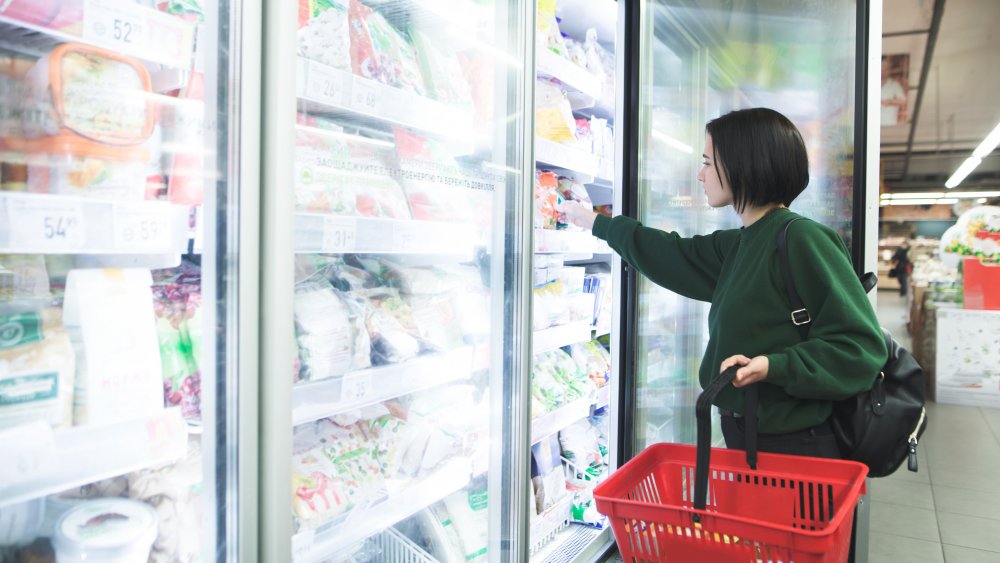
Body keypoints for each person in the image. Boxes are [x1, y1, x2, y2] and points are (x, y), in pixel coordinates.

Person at [560, 107, 888, 459]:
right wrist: (595, 223)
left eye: (707, 162)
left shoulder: (802, 240)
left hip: (794, 448)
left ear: (741, 165)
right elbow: (671, 255)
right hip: (747, 439)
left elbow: (861, 348)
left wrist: (774, 366)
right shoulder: (741, 243)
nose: (700, 175)